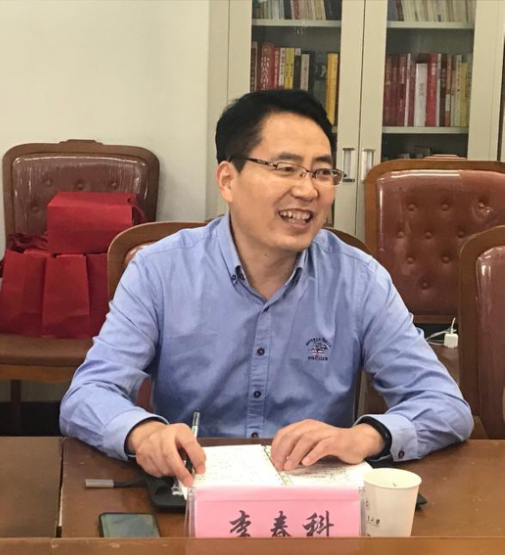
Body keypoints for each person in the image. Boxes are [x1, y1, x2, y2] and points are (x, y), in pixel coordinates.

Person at [60, 89, 473, 488]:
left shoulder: (359, 279)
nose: (307, 190)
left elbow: (445, 405)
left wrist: (366, 436)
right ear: (228, 180)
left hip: (313, 498)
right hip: (192, 491)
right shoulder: (160, 270)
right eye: (285, 168)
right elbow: (89, 393)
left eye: (322, 172)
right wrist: (145, 434)